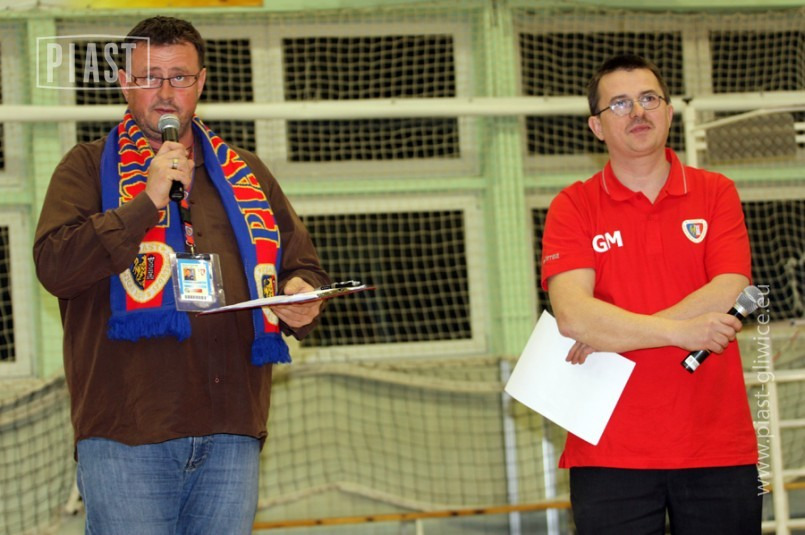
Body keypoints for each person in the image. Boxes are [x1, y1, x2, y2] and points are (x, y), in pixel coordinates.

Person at [33, 16, 329, 534]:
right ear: (124, 82)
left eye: (180, 77)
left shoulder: (247, 173)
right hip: (127, 429)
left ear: (202, 82)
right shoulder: (85, 167)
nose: (166, 93)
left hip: (232, 426)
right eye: (150, 77)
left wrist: (302, 296)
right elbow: (55, 266)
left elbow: (300, 265)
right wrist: (146, 201)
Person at [541, 54, 760, 534]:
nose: (638, 111)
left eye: (648, 99)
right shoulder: (572, 205)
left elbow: (730, 286)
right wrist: (680, 332)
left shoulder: (716, 192)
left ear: (669, 111)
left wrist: (614, 331)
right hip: (608, 448)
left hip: (716, 446)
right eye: (619, 103)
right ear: (596, 127)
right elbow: (574, 317)